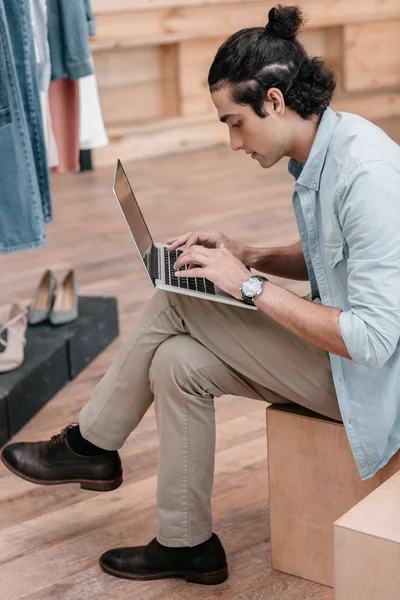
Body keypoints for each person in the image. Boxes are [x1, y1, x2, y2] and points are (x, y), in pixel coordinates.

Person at [2, 3, 400, 586]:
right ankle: (186, 543)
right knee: (177, 361)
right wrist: (251, 253)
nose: (234, 143)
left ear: (273, 100)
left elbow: (373, 340)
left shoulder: (364, 175)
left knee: (178, 298)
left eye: (234, 123)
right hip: (340, 363)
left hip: (371, 388)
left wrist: (245, 284)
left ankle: (89, 443)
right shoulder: (324, 151)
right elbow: (335, 259)